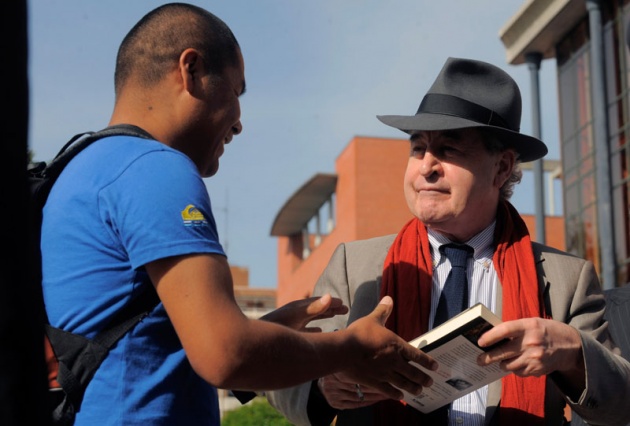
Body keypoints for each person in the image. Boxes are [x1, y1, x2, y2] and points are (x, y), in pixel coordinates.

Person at [40, 3, 438, 425]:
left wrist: (271, 328)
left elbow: (136, 340)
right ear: (190, 70)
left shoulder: (78, 167)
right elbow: (226, 355)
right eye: (236, 91)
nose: (239, 123)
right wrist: (351, 347)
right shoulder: (157, 168)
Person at [266, 57, 630, 426]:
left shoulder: (568, 279)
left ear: (502, 167)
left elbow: (623, 404)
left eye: (449, 149)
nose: (426, 166)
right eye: (418, 148)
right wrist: (323, 388)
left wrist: (571, 353)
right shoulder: (356, 266)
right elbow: (280, 370)